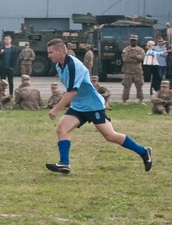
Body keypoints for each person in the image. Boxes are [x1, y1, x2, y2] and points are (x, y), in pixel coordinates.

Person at [45, 38, 152, 175]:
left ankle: (144, 151)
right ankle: (64, 163)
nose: (49, 56)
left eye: (51, 52)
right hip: (79, 106)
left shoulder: (73, 65)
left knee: (110, 136)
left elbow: (72, 90)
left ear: (60, 51)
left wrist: (56, 108)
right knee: (61, 129)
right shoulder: (59, 65)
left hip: (93, 105)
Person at [120, 36, 146, 104]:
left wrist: (133, 56)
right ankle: (124, 100)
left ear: (137, 41)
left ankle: (141, 99)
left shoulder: (140, 50)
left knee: (139, 86)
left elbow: (142, 58)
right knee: (126, 86)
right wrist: (136, 59)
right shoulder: (126, 50)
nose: (133, 42)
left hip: (138, 71)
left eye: (134, 40)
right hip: (128, 71)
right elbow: (125, 59)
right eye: (132, 40)